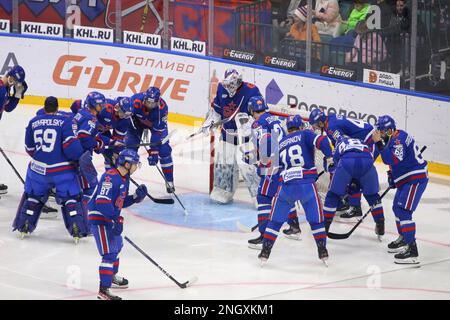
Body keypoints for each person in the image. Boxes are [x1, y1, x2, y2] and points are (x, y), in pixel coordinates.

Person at [258, 115, 333, 266]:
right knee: (316, 221)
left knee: (274, 222)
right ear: (300, 126)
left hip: (286, 187)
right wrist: (330, 158)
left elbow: (267, 167)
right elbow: (322, 141)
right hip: (306, 185)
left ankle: (265, 252)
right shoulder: (305, 134)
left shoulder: (280, 142)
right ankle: (322, 251)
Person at [12, 96, 87, 241]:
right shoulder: (65, 121)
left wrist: (43, 158)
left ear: (44, 107)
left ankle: (24, 224)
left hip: (37, 171)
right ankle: (77, 228)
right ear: (57, 108)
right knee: (71, 198)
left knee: (33, 196)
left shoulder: (33, 122)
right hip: (62, 172)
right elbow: (72, 149)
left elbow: (29, 148)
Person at [88, 149, 148, 300]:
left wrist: (135, 197)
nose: (136, 167)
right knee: (109, 254)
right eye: (134, 164)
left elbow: (119, 202)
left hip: (109, 217)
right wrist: (115, 218)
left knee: (117, 247)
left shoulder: (123, 178)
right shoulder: (110, 177)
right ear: (127, 164)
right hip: (99, 219)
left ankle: (111, 276)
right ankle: (103, 291)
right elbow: (102, 202)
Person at [308, 108, 385, 225]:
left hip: (370, 139)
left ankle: (355, 207)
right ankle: (352, 202)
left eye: (315, 125)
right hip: (364, 139)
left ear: (320, 122)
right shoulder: (330, 120)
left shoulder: (331, 127)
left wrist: (333, 161)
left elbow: (342, 141)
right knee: (352, 171)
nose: (316, 128)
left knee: (357, 172)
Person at [244, 96, 301, 249]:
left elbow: (267, 145)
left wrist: (254, 158)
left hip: (273, 165)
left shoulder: (258, 124)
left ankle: (263, 236)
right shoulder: (273, 119)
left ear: (251, 110)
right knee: (283, 194)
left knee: (263, 197)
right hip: (285, 161)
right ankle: (295, 226)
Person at [201, 69, 262, 204]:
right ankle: (224, 192)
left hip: (246, 138)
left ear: (238, 81)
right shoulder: (221, 89)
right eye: (227, 84)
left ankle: (260, 197)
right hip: (227, 135)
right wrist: (208, 123)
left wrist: (250, 124)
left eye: (231, 84)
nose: (228, 87)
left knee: (248, 167)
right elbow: (216, 111)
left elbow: (261, 113)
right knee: (224, 163)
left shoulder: (252, 91)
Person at [372, 115, 428, 264]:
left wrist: (378, 142)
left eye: (382, 131)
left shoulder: (399, 141)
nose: (380, 134)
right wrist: (392, 174)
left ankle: (412, 250)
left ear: (390, 130)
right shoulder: (395, 137)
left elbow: (390, 159)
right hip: (407, 177)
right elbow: (395, 163)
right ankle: (404, 237)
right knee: (397, 208)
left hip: (415, 179)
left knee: (404, 211)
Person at [322, 136, 385, 239]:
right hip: (368, 163)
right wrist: (358, 181)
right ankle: (380, 224)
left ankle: (325, 227)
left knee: (333, 195)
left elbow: (336, 166)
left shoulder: (339, 143)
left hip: (347, 162)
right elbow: (368, 158)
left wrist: (349, 181)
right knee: (373, 196)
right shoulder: (362, 141)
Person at [127, 87, 175, 193]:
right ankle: (123, 183)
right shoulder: (135, 100)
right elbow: (124, 112)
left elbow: (157, 133)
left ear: (158, 102)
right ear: (144, 99)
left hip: (154, 125)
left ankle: (169, 181)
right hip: (137, 124)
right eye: (148, 102)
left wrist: (153, 151)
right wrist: (130, 118)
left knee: (164, 150)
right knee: (129, 150)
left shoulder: (162, 109)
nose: (149, 106)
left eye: (153, 104)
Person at [73, 91, 108, 220]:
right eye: (100, 104)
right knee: (91, 186)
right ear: (94, 104)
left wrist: (97, 141)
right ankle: (83, 217)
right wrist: (96, 145)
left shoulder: (82, 112)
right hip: (80, 157)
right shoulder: (91, 118)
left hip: (71, 152)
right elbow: (83, 136)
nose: (103, 106)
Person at [0, 65, 28, 196]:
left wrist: (17, 94)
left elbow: (8, 108)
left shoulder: (5, 87)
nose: (16, 84)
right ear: (10, 76)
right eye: (15, 81)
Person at [97, 97, 132, 169]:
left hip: (103, 131)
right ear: (118, 107)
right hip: (90, 129)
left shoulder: (125, 120)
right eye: (123, 113)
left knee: (111, 155)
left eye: (127, 115)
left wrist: (116, 149)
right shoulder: (105, 108)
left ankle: (110, 175)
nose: (124, 116)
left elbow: (118, 137)